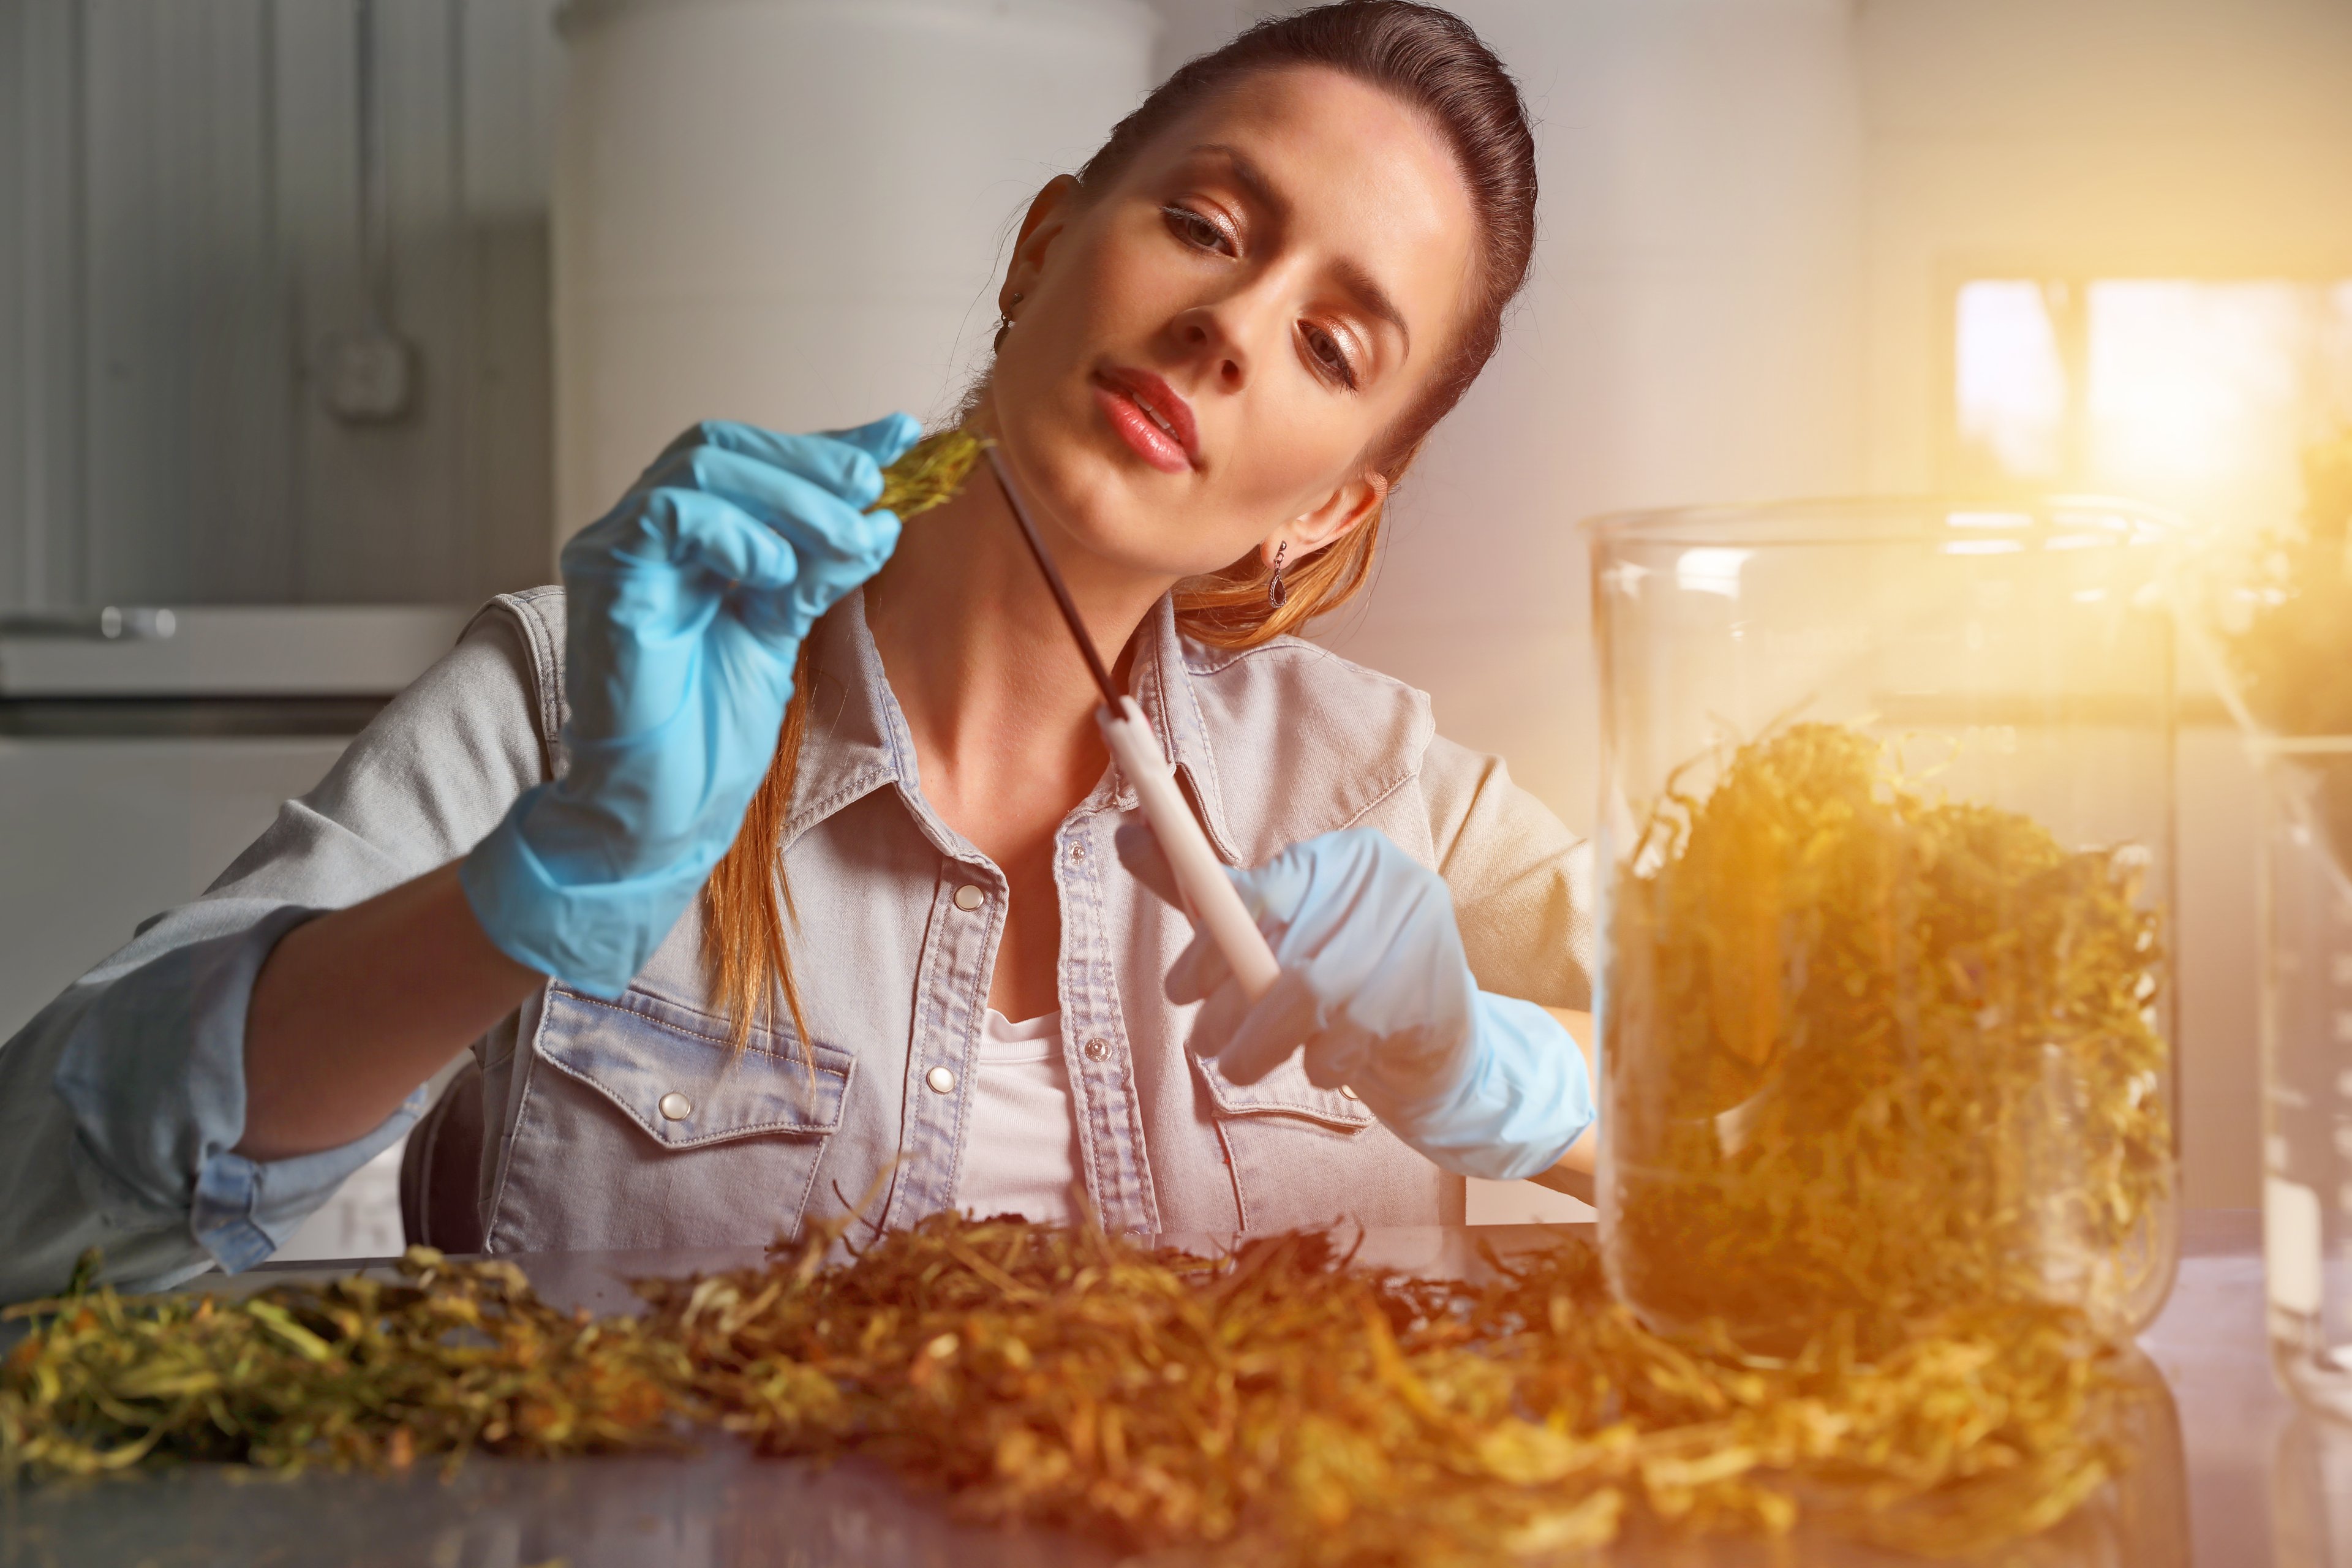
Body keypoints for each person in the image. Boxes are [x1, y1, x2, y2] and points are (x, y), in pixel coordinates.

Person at [0, 0, 1597, 1301]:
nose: (1233, 326)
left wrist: (1512, 1074)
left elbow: (1804, 1146)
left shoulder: (1405, 802)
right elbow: (52, 1209)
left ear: (1323, 515)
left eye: (1332, 345)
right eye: (1204, 222)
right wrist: (532, 889)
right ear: (1044, 248)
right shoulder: (578, 712)